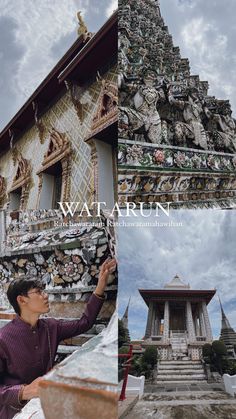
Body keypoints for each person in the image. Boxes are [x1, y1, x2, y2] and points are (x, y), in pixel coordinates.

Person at [0, 258, 116, 419]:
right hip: (14, 412)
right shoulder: (3, 338)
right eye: (39, 292)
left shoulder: (50, 327)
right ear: (22, 300)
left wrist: (101, 285)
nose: (46, 296)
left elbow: (84, 323)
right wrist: (23, 391)